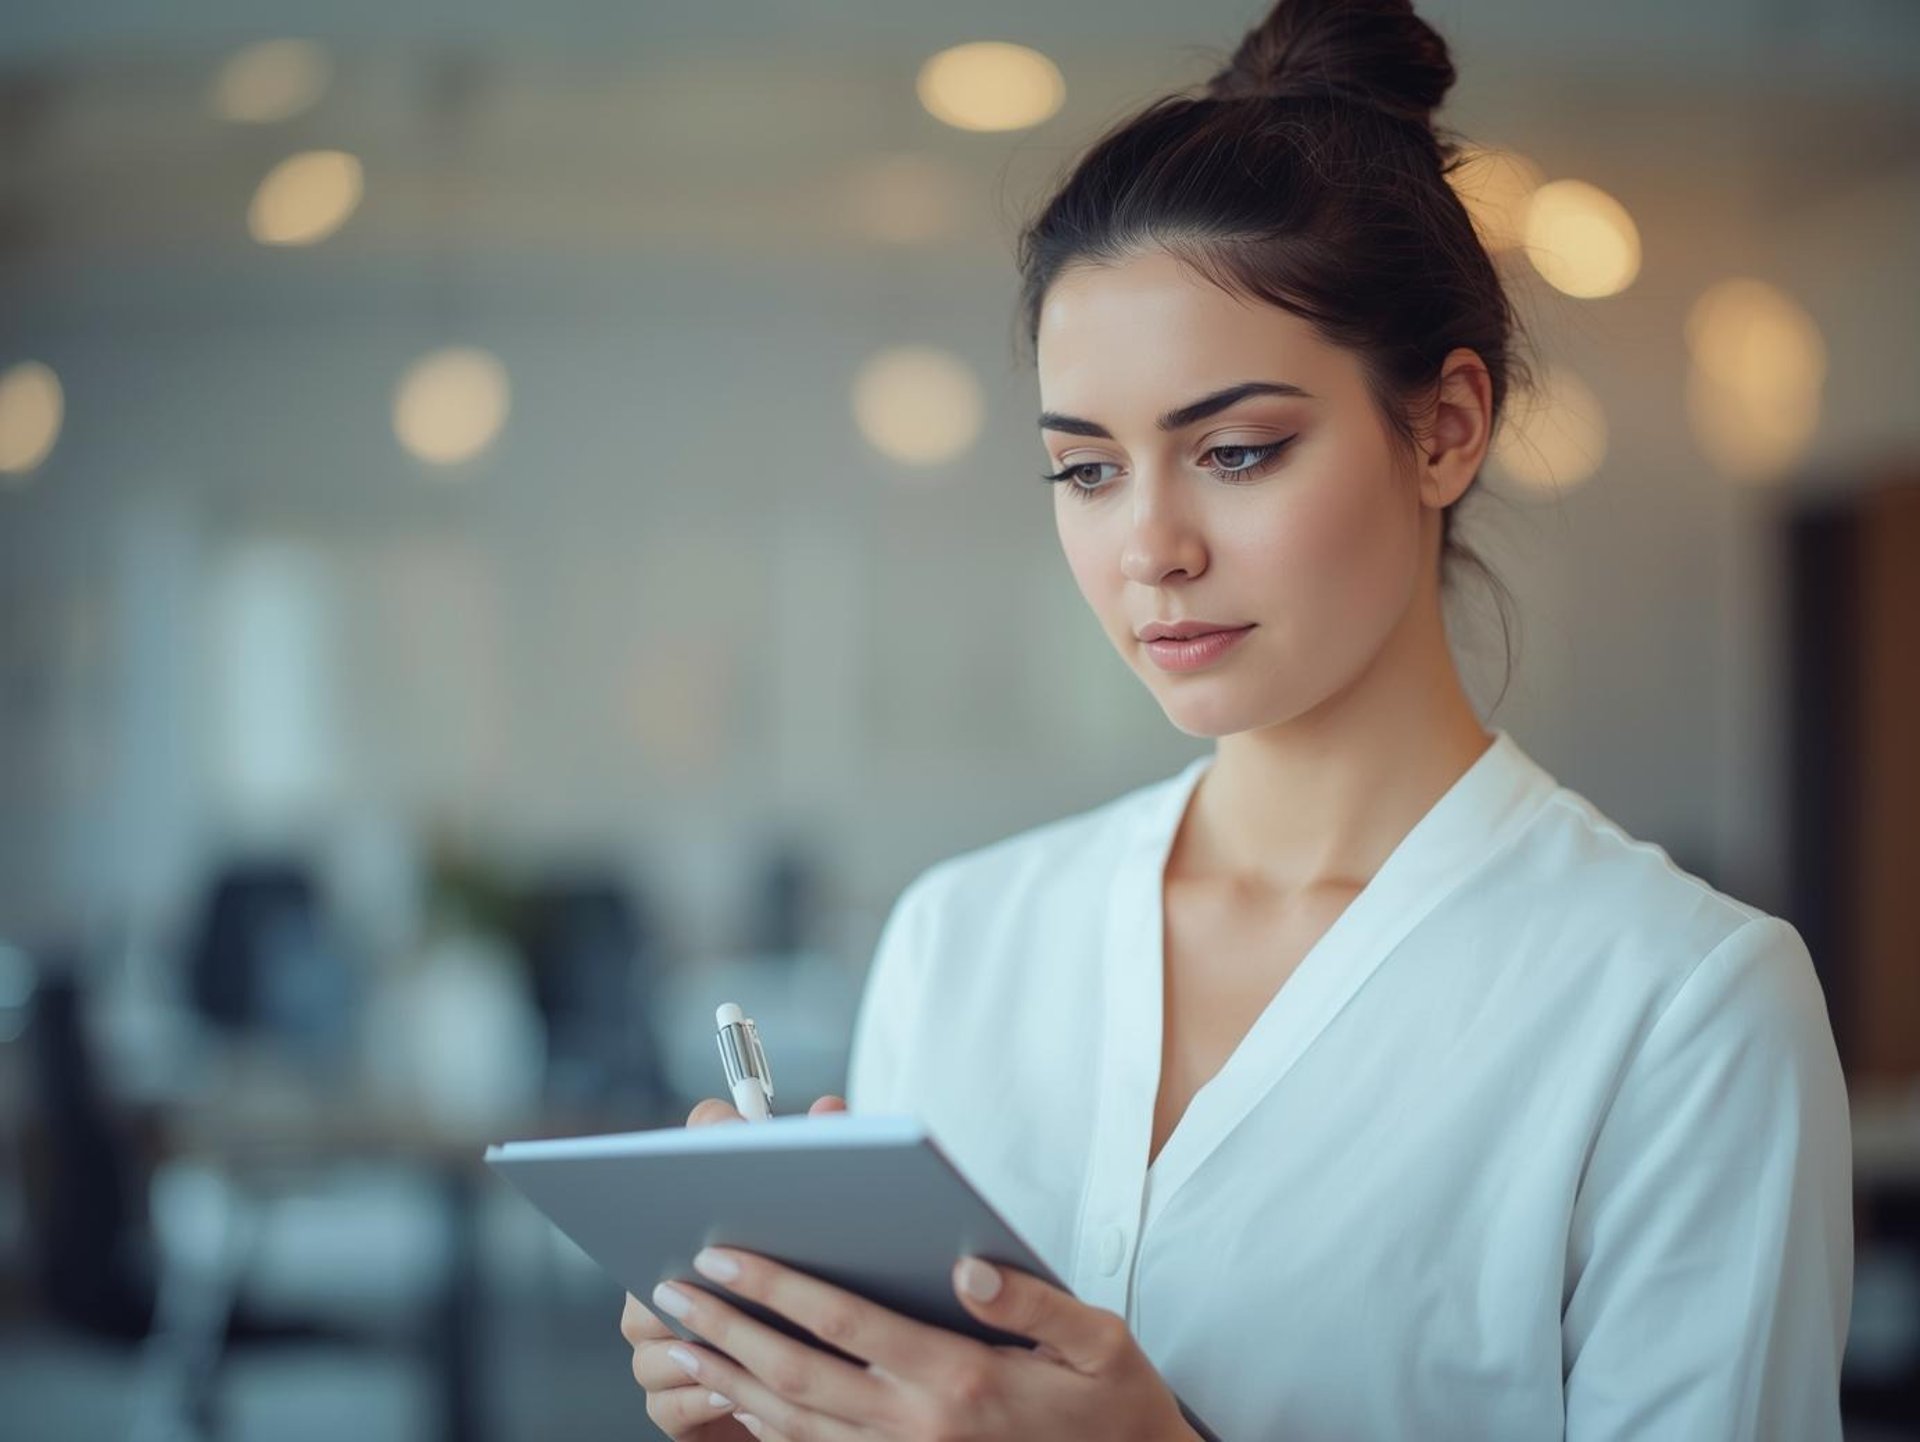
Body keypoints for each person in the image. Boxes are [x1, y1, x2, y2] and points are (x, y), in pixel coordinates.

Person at [619, 0, 1854, 1436]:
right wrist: (777, 1399)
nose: (1151, 548)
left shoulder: (1682, 1008)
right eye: (1087, 471)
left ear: (1448, 428)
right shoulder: (961, 943)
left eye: (1238, 450)